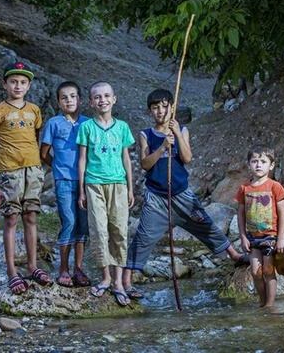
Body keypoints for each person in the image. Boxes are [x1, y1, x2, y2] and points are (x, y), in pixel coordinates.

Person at [122, 89, 249, 300]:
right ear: (149, 111)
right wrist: (163, 147)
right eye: (155, 108)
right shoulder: (146, 134)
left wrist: (178, 135)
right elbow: (145, 164)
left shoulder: (181, 129)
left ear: (172, 107)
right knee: (144, 236)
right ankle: (126, 280)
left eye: (164, 106)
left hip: (182, 194)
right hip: (157, 198)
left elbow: (187, 158)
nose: (160, 111)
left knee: (205, 224)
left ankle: (234, 255)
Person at [0, 61, 52, 295]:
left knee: (31, 215)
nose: (18, 85)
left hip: (33, 168)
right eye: (13, 81)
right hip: (8, 170)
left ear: (29, 86)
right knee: (12, 218)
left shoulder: (34, 110)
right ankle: (12, 270)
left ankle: (33, 265)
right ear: (5, 84)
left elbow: (35, 136)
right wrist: (3, 165)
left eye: (23, 82)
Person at [77, 81, 135, 306]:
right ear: (91, 102)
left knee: (119, 230)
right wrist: (81, 189)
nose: (102, 100)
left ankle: (119, 282)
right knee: (99, 230)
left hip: (118, 184)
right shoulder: (87, 128)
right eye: (97, 97)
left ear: (114, 99)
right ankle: (105, 277)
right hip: (93, 184)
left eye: (106, 96)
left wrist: (130, 187)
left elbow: (126, 158)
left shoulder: (122, 127)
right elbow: (82, 160)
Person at [40, 81, 91, 287]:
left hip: (86, 181)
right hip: (63, 180)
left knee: (83, 224)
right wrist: (57, 167)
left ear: (80, 99)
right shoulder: (54, 123)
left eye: (73, 96)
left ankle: (79, 268)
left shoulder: (88, 123)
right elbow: (44, 153)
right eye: (64, 97)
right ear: (59, 102)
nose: (69, 100)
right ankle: (63, 268)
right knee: (68, 221)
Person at [236, 146, 284, 307]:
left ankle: (270, 305)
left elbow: (283, 214)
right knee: (255, 272)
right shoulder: (244, 188)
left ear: (271, 165)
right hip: (252, 237)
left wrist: (281, 239)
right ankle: (262, 302)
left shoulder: (275, 186)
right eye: (254, 161)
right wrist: (243, 236)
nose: (258, 165)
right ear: (249, 164)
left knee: (268, 271)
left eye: (263, 161)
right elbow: (241, 214)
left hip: (270, 236)